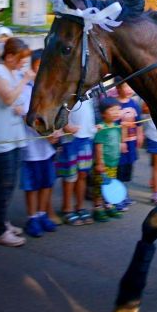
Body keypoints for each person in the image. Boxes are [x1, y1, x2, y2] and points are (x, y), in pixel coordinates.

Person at [0, 37, 33, 247]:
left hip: (15, 136)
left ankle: (2, 222)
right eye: (22, 59)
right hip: (0, 136)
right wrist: (24, 80)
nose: (24, 63)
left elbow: (19, 104)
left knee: (10, 182)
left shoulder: (14, 72)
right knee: (4, 183)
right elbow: (7, 99)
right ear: (10, 56)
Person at [18, 50, 60, 237]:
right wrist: (46, 134)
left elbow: (57, 115)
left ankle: (43, 214)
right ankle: (32, 217)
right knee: (32, 185)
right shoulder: (27, 90)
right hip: (31, 149)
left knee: (47, 183)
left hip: (47, 149)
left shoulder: (51, 90)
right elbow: (29, 117)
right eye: (39, 66)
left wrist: (56, 130)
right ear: (32, 67)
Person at [55, 97, 96, 226]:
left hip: (86, 138)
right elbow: (60, 108)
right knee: (70, 176)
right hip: (70, 139)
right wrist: (65, 126)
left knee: (83, 175)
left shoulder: (89, 91)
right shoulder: (70, 89)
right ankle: (67, 209)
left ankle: (80, 206)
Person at [91, 97, 124, 222]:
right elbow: (98, 146)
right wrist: (99, 162)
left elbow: (121, 141)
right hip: (103, 164)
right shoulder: (102, 128)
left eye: (118, 110)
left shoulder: (116, 126)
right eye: (112, 110)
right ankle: (97, 208)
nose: (116, 112)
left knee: (109, 185)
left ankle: (108, 205)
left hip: (113, 162)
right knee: (100, 186)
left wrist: (125, 127)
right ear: (103, 113)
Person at [115, 83, 142, 211]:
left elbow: (139, 122)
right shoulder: (115, 106)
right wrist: (121, 141)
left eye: (131, 86)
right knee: (119, 170)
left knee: (128, 170)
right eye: (126, 86)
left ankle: (124, 195)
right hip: (120, 145)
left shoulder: (134, 104)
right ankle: (117, 198)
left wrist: (140, 135)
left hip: (132, 143)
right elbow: (113, 126)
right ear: (118, 88)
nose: (130, 89)